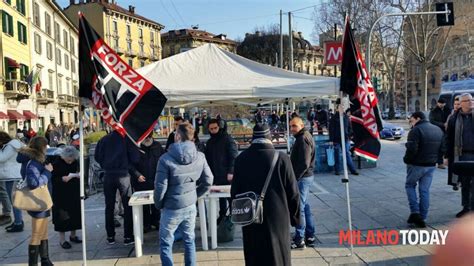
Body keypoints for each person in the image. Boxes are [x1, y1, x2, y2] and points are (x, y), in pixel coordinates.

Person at [231, 123, 300, 266]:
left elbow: (234, 192)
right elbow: (293, 192)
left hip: (250, 215)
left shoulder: (241, 159)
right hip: (278, 216)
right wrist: (296, 218)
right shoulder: (282, 159)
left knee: (254, 254)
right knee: (278, 254)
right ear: (269, 137)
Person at [154, 122, 213, 266]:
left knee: (166, 243)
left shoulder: (165, 159)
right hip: (190, 205)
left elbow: (160, 187)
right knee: (189, 240)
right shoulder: (200, 156)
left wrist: (159, 204)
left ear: (178, 136)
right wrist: (195, 195)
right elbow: (209, 180)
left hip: (171, 207)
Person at [94, 130, 139, 245]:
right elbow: (135, 158)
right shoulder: (127, 139)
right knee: (127, 206)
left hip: (108, 174)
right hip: (123, 174)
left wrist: (106, 164)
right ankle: (128, 236)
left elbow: (97, 157)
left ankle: (110, 236)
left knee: (109, 206)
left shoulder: (104, 139)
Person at [16, 136, 54, 266]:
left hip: (40, 199)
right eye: (45, 146)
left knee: (43, 232)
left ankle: (45, 260)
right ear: (42, 147)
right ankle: (33, 263)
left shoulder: (31, 159)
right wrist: (47, 173)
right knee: (37, 233)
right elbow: (34, 183)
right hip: (37, 200)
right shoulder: (34, 162)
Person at [404, 111, 445, 228]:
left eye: (411, 120)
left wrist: (406, 160)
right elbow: (442, 149)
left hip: (416, 164)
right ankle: (423, 216)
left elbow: (412, 149)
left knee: (410, 185)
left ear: (417, 118)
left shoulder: (416, 130)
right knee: (424, 190)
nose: (410, 123)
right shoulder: (437, 129)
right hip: (431, 165)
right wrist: (438, 161)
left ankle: (415, 212)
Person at [289, 117, 316, 248]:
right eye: (291, 126)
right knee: (305, 206)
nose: (292, 128)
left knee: (300, 208)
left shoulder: (303, 138)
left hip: (303, 177)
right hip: (305, 177)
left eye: (294, 126)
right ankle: (310, 235)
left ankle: (300, 239)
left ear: (301, 125)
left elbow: (304, 163)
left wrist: (296, 177)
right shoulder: (303, 136)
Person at [446, 93, 474, 218]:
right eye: (467, 100)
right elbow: (448, 139)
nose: (471, 102)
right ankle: (466, 207)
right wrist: (446, 156)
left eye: (472, 100)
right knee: (465, 183)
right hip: (462, 155)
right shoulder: (453, 119)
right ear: (461, 103)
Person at [129, 133, 164, 232]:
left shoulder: (157, 146)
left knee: (156, 203)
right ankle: (146, 224)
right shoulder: (136, 147)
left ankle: (156, 221)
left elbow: (163, 161)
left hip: (155, 180)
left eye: (149, 137)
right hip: (141, 181)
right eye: (145, 137)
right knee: (143, 205)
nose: (147, 139)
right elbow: (130, 164)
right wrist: (137, 175)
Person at [205, 118, 238, 222]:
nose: (213, 130)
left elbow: (233, 156)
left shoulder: (227, 139)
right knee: (221, 198)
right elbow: (208, 159)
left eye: (215, 128)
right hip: (216, 174)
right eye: (211, 129)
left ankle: (234, 215)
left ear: (220, 127)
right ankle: (223, 215)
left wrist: (231, 171)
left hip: (227, 174)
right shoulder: (210, 142)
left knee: (230, 196)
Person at [51, 146, 82, 249]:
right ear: (64, 156)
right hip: (61, 194)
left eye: (72, 160)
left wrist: (77, 175)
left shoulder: (74, 162)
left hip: (73, 191)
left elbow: (78, 172)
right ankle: (62, 240)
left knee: (75, 214)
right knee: (62, 217)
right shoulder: (56, 163)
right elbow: (53, 178)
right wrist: (61, 178)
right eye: (69, 160)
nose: (70, 162)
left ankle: (73, 235)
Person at [0, 131, 25, 232]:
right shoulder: (11, 145)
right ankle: (18, 221)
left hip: (12, 176)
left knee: (14, 200)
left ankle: (18, 223)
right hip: (11, 175)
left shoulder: (10, 146)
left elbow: (1, 158)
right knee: (14, 200)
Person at [329, 101, 359, 175]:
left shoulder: (346, 117)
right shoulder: (333, 118)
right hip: (336, 139)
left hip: (345, 138)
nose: (341, 108)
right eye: (340, 107)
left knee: (347, 154)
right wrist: (331, 140)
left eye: (342, 107)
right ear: (337, 109)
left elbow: (349, 127)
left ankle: (352, 170)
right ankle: (337, 170)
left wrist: (349, 135)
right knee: (337, 155)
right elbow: (331, 129)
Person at [429, 98, 451, 169]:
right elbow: (432, 121)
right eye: (440, 103)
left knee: (443, 147)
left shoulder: (447, 110)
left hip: (447, 131)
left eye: (443, 103)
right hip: (437, 131)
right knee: (436, 147)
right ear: (438, 103)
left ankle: (440, 162)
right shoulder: (433, 111)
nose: (441, 105)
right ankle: (436, 162)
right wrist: (442, 124)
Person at [445, 96, 461, 189]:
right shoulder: (451, 116)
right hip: (452, 145)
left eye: (458, 104)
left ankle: (458, 182)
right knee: (453, 165)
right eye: (455, 104)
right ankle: (456, 182)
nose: (456, 106)